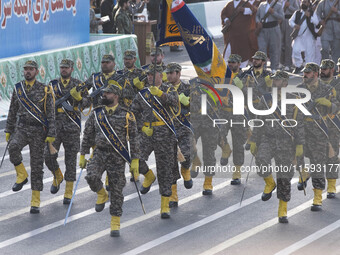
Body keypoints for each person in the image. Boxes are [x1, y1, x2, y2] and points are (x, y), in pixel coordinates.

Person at [79, 84, 139, 237]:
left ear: (116, 96)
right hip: (99, 153)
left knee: (117, 190)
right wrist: (83, 154)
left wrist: (135, 160)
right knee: (91, 176)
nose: (104, 95)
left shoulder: (127, 115)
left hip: (117, 156)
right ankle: (101, 194)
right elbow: (87, 134)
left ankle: (115, 223)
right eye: (104, 93)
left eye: (108, 93)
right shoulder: (97, 113)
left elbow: (134, 139)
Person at [249, 70, 305, 223]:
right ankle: (269, 183)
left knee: (284, 177)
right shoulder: (266, 100)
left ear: (285, 83)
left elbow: (299, 125)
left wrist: (300, 145)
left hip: (287, 142)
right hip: (269, 138)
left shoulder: (294, 100)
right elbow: (258, 121)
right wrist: (254, 140)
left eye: (278, 80)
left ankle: (282, 210)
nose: (274, 82)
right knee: (261, 159)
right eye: (274, 80)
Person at [5, 60, 56, 214]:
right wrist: (9, 128)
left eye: (30, 69)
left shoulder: (45, 90)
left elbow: (51, 114)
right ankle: (21, 174)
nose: (27, 71)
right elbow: (12, 110)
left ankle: (35, 200)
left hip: (38, 131)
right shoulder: (18, 88)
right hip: (22, 128)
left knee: (37, 166)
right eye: (26, 69)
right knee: (13, 147)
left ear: (37, 71)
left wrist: (51, 133)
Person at [131, 64, 179, 218]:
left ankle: (164, 205)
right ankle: (149, 175)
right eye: (148, 75)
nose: (150, 77)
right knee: (135, 159)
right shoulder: (142, 94)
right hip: (147, 133)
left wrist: (160, 94)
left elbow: (174, 102)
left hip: (164, 133)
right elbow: (132, 113)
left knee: (165, 169)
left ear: (160, 75)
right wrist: (140, 128)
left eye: (153, 75)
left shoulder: (168, 89)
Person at [45, 59, 91, 204]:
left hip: (72, 127)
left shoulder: (78, 84)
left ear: (72, 69)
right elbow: (44, 102)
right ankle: (57, 175)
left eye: (66, 67)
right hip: (55, 127)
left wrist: (79, 99)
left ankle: (68, 193)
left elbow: (88, 102)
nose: (63, 70)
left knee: (70, 161)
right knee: (48, 156)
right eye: (62, 67)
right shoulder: (52, 85)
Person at [298, 62, 338, 211]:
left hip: (318, 131)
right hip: (301, 130)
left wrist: (328, 103)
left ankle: (318, 197)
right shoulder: (299, 90)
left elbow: (336, 106)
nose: (304, 75)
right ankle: (303, 173)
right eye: (304, 72)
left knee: (318, 163)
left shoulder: (327, 89)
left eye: (308, 73)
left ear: (314, 74)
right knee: (294, 155)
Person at [165, 62, 194, 207]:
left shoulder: (187, 88)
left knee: (187, 154)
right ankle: (173, 197)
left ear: (178, 73)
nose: (169, 75)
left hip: (183, 128)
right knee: (170, 164)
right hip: (168, 130)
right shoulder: (163, 89)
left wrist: (188, 102)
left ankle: (186, 169)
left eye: (172, 73)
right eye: (167, 73)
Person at [218, 54, 247, 184]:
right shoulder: (223, 76)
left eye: (233, 63)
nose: (230, 65)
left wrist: (242, 87)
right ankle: (226, 149)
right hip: (224, 113)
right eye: (229, 62)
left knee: (238, 143)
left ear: (239, 64)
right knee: (217, 134)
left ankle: (237, 172)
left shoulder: (245, 77)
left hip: (238, 114)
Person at [319, 59, 340, 198]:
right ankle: (323, 188)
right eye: (321, 69)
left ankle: (331, 186)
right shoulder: (317, 84)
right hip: (319, 123)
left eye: (325, 69)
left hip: (334, 122)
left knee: (332, 155)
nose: (322, 71)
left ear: (331, 70)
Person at [221, 0, 255, 68]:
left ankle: (242, 68)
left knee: (243, 51)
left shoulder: (246, 4)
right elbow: (223, 14)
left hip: (242, 35)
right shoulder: (229, 4)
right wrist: (226, 20)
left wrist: (243, 9)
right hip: (232, 34)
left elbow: (253, 10)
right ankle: (226, 69)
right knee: (228, 51)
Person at [289, 0, 319, 74]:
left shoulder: (312, 13)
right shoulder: (297, 13)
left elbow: (317, 22)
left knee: (309, 54)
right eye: (302, 2)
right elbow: (290, 21)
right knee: (296, 50)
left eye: (305, 2)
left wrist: (310, 17)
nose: (303, 3)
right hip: (299, 36)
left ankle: (309, 69)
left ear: (308, 3)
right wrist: (295, 25)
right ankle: (298, 66)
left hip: (309, 36)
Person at [256, 0, 284, 72]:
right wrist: (258, 22)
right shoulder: (262, 5)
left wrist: (273, 13)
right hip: (263, 29)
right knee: (262, 49)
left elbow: (282, 17)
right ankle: (263, 67)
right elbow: (257, 16)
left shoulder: (278, 5)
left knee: (274, 49)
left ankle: (274, 68)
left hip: (273, 28)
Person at [280, 0, 299, 71]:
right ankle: (281, 62)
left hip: (289, 20)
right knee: (280, 43)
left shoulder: (294, 1)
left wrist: (289, 6)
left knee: (288, 43)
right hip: (281, 21)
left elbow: (298, 10)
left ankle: (288, 63)